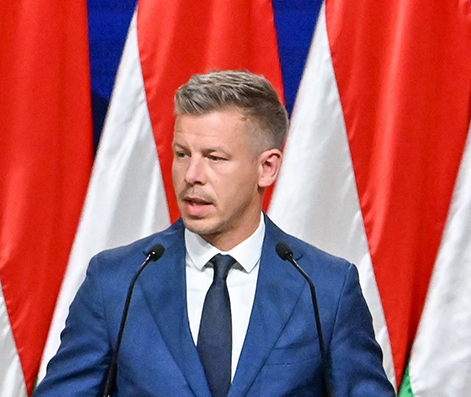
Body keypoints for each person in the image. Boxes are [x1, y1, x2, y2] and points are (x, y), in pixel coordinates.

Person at [39, 70, 396, 397]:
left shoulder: (325, 288)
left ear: (267, 168)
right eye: (182, 154)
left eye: (214, 157)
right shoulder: (117, 281)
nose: (192, 175)